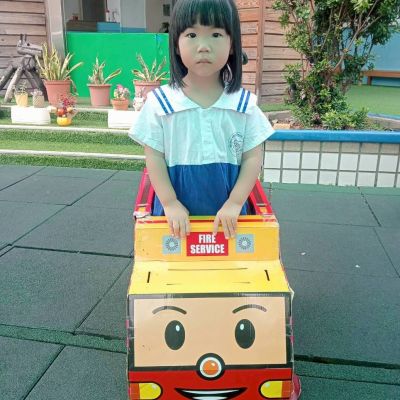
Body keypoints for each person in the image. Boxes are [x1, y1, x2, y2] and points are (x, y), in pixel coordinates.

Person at [129, 0, 274, 240]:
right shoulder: (160, 104)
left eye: (216, 34)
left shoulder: (244, 105)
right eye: (192, 35)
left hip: (229, 219)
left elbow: (252, 158)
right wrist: (170, 202)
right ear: (176, 45)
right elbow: (154, 156)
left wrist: (235, 203)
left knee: (230, 263)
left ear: (232, 45)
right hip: (174, 221)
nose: (203, 46)